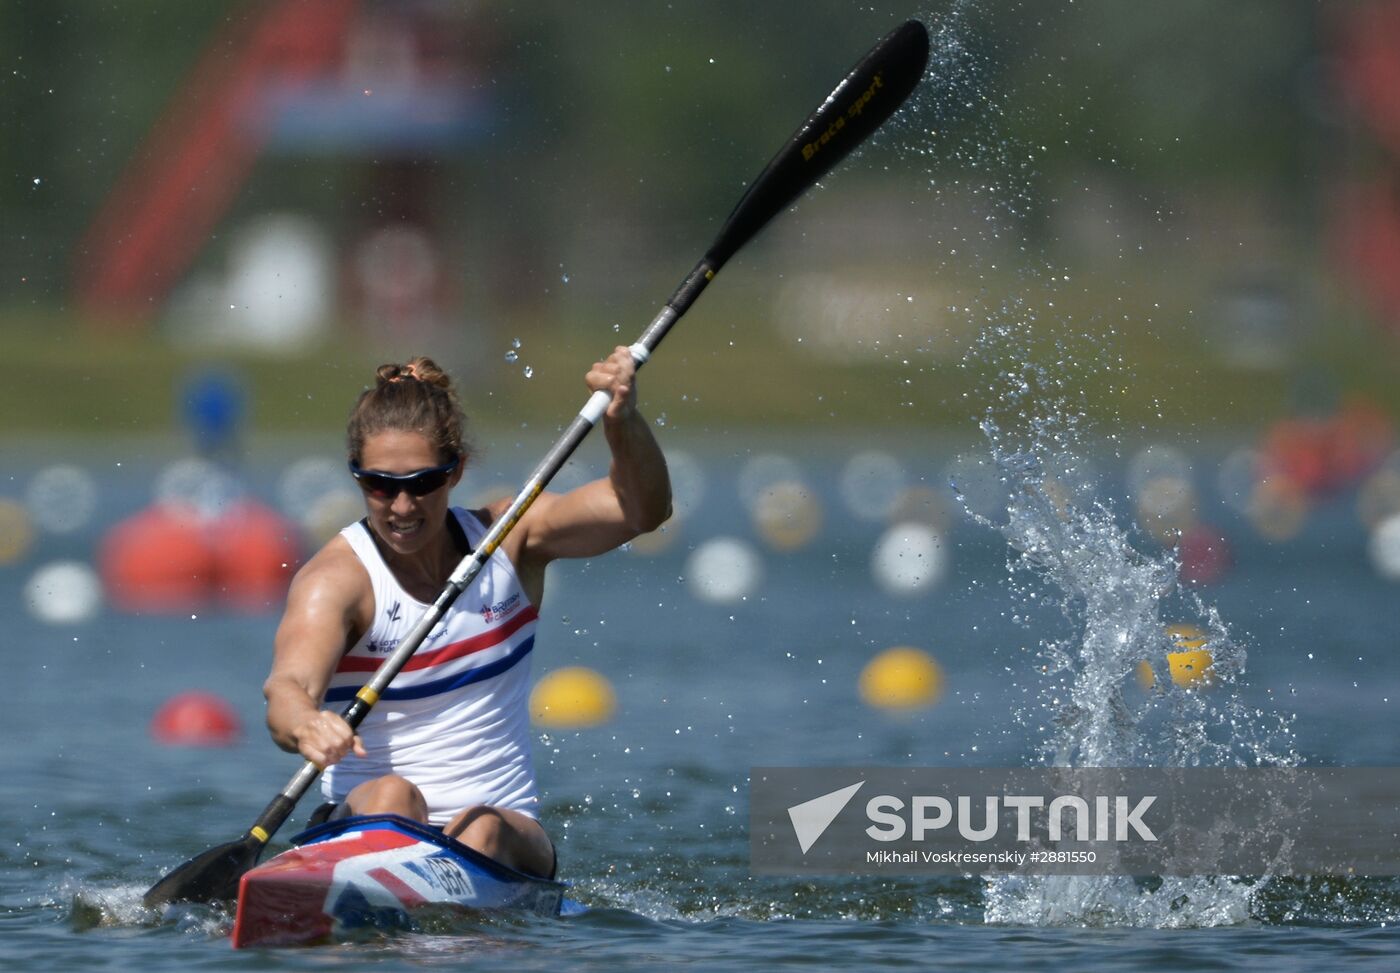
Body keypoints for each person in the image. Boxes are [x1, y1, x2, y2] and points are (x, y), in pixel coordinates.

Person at [262, 349, 671, 879]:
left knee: (481, 828)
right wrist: (307, 725)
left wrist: (623, 422)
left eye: (423, 483)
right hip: (368, 822)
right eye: (380, 485)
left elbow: (643, 510)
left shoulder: (510, 538)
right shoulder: (336, 582)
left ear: (456, 470)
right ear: (357, 477)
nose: (402, 507)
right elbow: (286, 689)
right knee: (392, 795)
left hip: (506, 841)